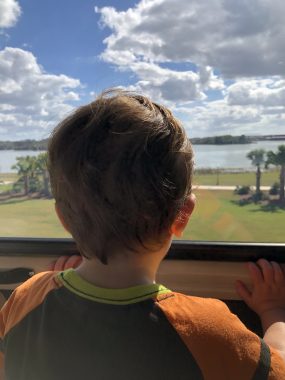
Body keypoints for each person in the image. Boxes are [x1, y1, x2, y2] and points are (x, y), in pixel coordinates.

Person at [0, 90, 285, 380]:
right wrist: (273, 309)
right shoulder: (209, 330)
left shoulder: (26, 297)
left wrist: (52, 285)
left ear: (63, 218)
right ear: (182, 215)